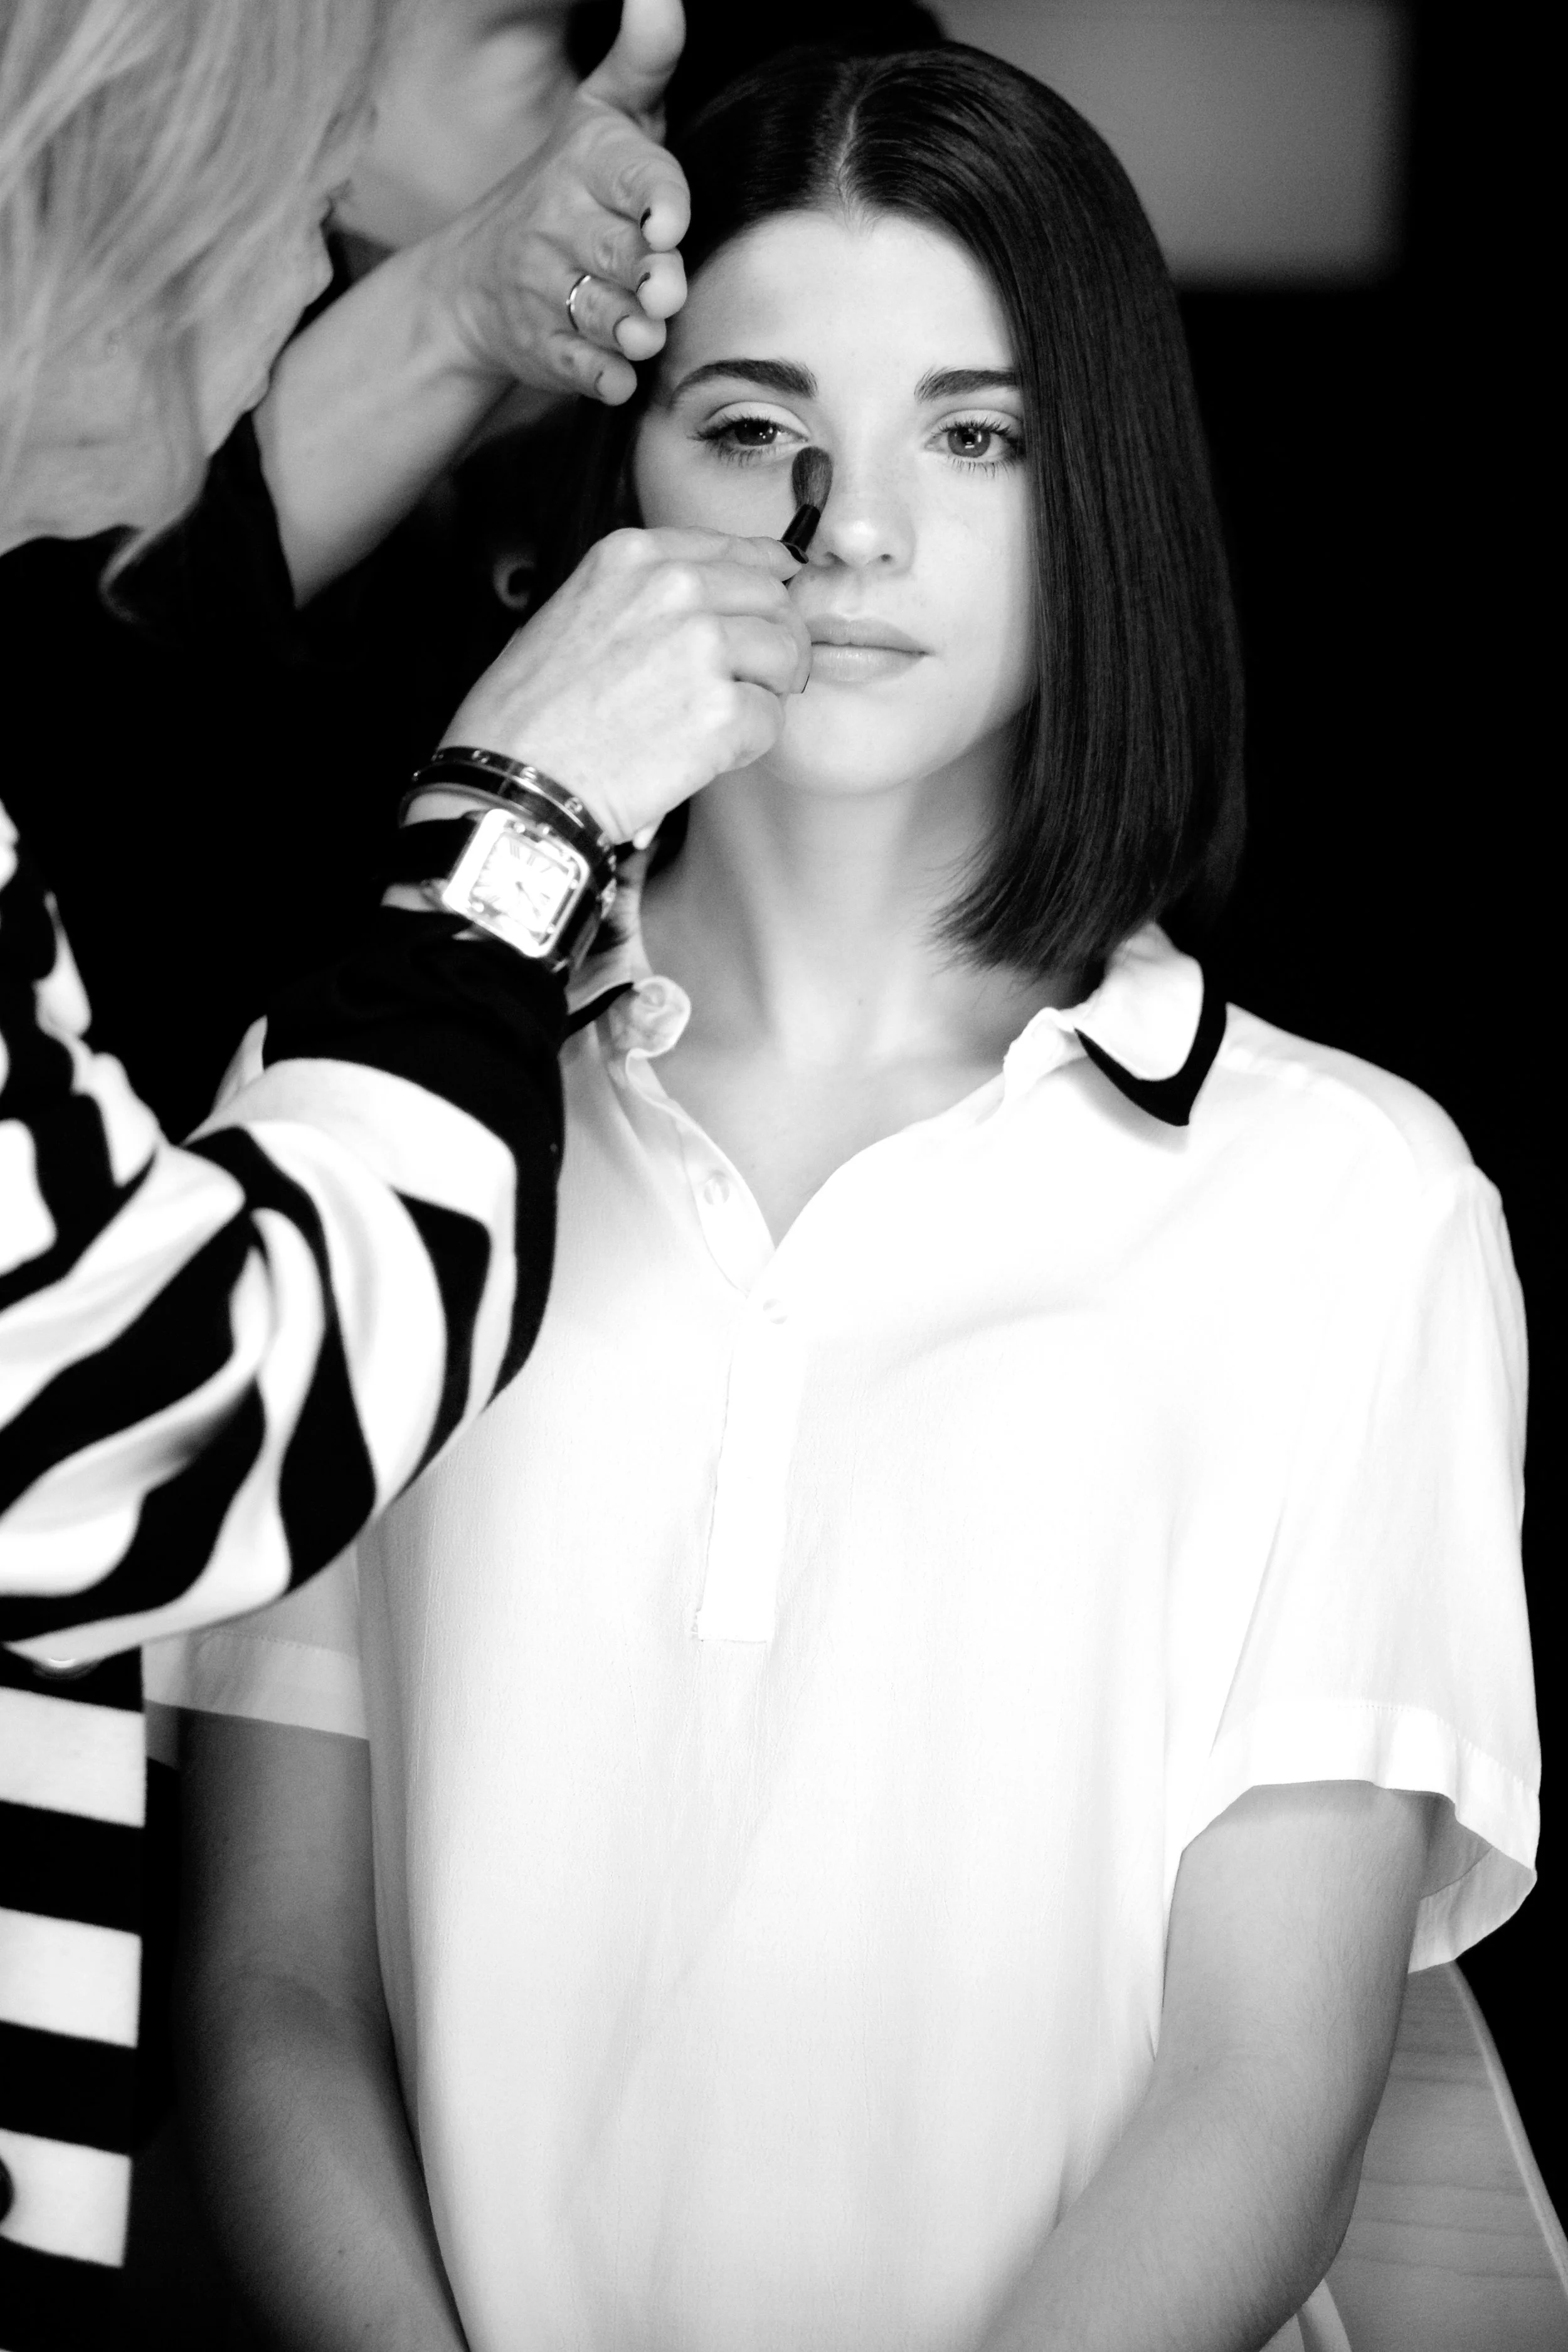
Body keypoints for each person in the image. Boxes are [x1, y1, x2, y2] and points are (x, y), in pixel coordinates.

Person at [169, 43, 1538, 2352]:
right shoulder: (359, 1111)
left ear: (1095, 495)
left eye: (975, 436)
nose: (857, 525)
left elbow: (1261, 2102)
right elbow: (274, 1994)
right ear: (608, 485)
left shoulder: (1345, 1201)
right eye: (751, 424)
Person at [0, 0, 811, 2329]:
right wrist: (519, 834)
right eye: (291, 224)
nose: (303, 305)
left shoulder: (1339, 1200)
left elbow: (55, 707)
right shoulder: (371, 1083)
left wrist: (452, 321)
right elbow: (171, 1417)